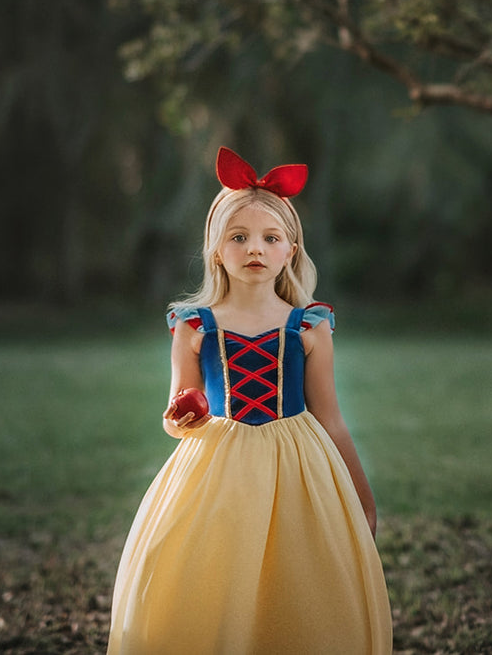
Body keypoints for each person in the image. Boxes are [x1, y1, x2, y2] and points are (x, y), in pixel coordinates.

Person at [107, 147, 392, 654]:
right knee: (215, 570)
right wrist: (182, 412)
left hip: (300, 466)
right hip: (218, 468)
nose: (254, 249)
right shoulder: (194, 326)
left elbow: (332, 419)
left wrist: (362, 497)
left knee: (297, 574)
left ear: (290, 250)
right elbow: (179, 410)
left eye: (270, 238)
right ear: (217, 249)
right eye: (238, 238)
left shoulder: (309, 325)